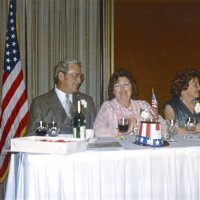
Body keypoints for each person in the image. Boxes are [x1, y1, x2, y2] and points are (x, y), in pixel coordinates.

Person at [26, 59, 96, 135]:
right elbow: (32, 135)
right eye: (75, 76)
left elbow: (94, 132)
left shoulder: (87, 100)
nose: (79, 81)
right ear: (61, 76)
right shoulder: (40, 103)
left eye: (80, 77)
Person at [94, 68, 166, 137]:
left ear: (132, 87)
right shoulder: (108, 107)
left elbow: (161, 124)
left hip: (142, 147)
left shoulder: (143, 105)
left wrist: (158, 122)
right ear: (113, 90)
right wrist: (124, 131)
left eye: (126, 84)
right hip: (118, 148)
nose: (122, 89)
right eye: (117, 85)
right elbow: (97, 131)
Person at [163, 68, 200, 133]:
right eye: (195, 84)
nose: (199, 87)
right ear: (183, 86)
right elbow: (170, 128)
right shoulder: (171, 106)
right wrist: (192, 130)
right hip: (181, 143)